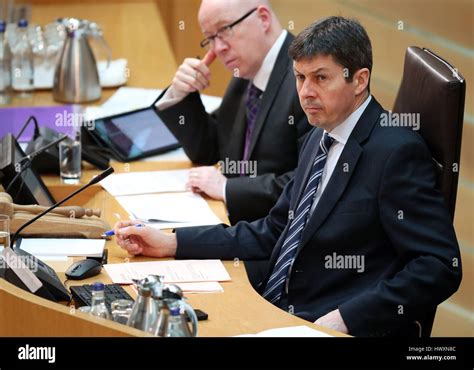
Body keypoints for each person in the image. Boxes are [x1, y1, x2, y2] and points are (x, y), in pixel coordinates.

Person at [117, 16, 462, 337]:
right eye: (300, 77)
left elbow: (438, 266)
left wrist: (344, 319)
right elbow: (275, 230)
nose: (306, 92)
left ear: (359, 80)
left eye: (320, 78)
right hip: (274, 305)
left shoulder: (396, 152)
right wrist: (172, 243)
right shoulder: (322, 133)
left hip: (319, 322)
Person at [155, 0, 311, 224]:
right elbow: (209, 150)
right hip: (238, 224)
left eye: (225, 30)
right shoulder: (246, 75)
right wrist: (179, 94)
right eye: (210, 38)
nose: (217, 48)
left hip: (280, 237)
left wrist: (227, 188)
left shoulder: (305, 82)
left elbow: (309, 182)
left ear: (263, 18)